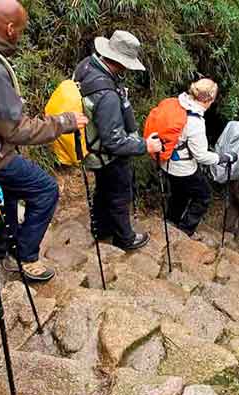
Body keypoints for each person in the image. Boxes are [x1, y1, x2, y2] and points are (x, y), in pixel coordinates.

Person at [0, 0, 89, 282]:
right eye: (20, 30)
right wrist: (64, 122)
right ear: (10, 28)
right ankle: (26, 257)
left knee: (8, 196)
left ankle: (2, 251)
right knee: (45, 190)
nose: (21, 35)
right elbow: (15, 129)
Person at [74, 31, 163, 251]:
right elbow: (114, 141)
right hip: (108, 153)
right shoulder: (107, 95)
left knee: (104, 189)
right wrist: (146, 146)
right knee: (119, 194)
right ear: (120, 62)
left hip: (92, 146)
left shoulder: (87, 66)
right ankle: (125, 238)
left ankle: (101, 228)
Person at [161, 78, 236, 240]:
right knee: (203, 196)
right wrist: (223, 157)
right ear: (209, 99)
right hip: (183, 168)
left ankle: (171, 220)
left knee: (179, 192)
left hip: (166, 160)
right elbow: (201, 156)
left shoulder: (178, 103)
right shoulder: (195, 122)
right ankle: (185, 231)